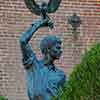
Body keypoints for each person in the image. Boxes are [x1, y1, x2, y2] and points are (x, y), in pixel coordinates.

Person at [19, 16, 66, 100]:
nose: (61, 51)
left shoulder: (61, 75)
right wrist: (39, 24)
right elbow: (23, 41)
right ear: (48, 48)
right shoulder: (33, 66)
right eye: (57, 48)